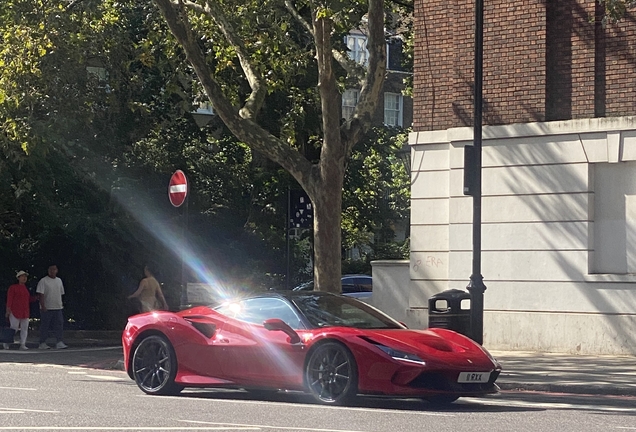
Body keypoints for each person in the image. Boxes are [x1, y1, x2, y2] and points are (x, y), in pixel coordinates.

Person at [36, 264, 67, 349]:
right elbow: (41, 294)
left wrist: (61, 304)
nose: (52, 271)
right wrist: (43, 306)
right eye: (51, 269)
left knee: (59, 324)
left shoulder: (59, 280)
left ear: (57, 270)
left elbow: (61, 293)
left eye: (54, 269)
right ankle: (42, 342)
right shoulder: (43, 281)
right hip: (47, 307)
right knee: (45, 325)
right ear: (48, 270)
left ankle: (59, 341)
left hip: (58, 307)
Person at [4, 271, 38, 350]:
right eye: (22, 276)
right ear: (18, 278)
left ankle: (23, 344)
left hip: (25, 311)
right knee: (14, 328)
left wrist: (34, 298)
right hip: (15, 310)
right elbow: (10, 299)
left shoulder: (26, 288)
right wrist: (8, 309)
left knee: (24, 328)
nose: (24, 278)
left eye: (25, 276)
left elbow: (27, 299)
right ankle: (7, 342)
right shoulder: (13, 287)